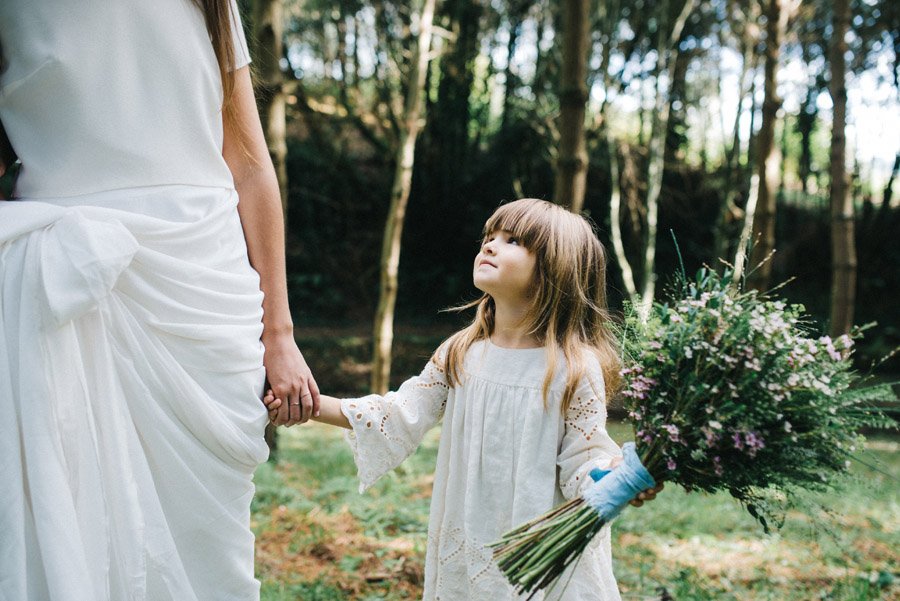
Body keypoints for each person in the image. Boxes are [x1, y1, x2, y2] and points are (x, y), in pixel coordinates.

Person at [0, 1, 318, 599]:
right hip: (63, 287)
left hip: (201, 286)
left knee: (211, 547)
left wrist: (279, 334)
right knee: (72, 522)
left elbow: (250, 169)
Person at [267, 198, 661, 600]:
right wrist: (308, 404)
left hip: (540, 554)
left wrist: (614, 475)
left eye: (512, 240)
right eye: (488, 237)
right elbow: (399, 414)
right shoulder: (462, 351)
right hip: (471, 536)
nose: (489, 246)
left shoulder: (573, 367)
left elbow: (583, 459)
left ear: (554, 268)